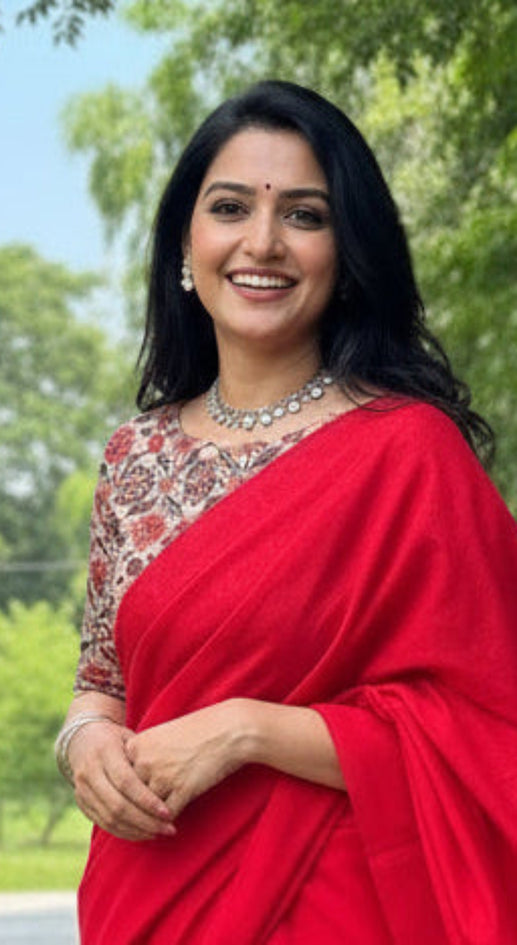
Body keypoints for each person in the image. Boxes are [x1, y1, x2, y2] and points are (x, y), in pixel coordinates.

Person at [56, 80, 517, 944]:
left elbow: (492, 726)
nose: (261, 241)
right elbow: (102, 681)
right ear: (184, 245)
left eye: (304, 215)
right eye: (229, 207)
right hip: (147, 892)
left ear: (347, 253)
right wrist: (83, 747)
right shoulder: (135, 456)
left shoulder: (408, 453)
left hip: (337, 905)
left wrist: (247, 730)